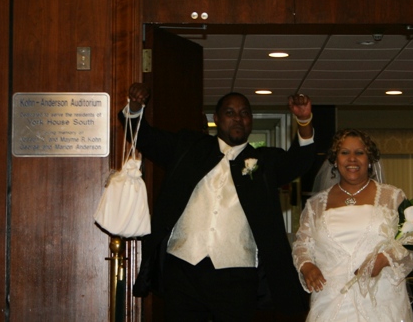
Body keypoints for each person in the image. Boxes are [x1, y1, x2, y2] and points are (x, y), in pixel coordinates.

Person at [122, 83, 316, 321]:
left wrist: (304, 121)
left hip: (238, 275)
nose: (238, 118)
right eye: (230, 112)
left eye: (244, 113)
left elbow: (300, 161)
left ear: (251, 120)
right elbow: (145, 138)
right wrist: (135, 107)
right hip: (183, 269)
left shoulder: (265, 161)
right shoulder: (188, 147)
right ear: (216, 118)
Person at [293, 128, 413, 322]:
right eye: (344, 152)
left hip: (381, 298)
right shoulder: (316, 205)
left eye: (359, 153)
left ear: (369, 160)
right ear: (335, 160)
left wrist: (385, 259)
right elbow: (302, 243)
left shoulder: (392, 197)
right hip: (331, 299)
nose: (352, 159)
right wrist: (307, 265)